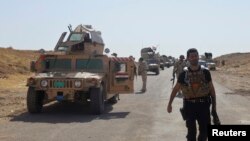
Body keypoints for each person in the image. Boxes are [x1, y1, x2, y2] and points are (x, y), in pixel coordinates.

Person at [167, 48, 217, 141]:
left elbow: (212, 90)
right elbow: (175, 90)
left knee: (205, 132)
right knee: (191, 133)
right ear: (188, 58)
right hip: (189, 106)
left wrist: (214, 109)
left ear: (198, 56)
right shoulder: (183, 74)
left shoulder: (206, 72)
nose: (194, 58)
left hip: (204, 105)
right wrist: (169, 104)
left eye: (195, 56)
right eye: (192, 56)